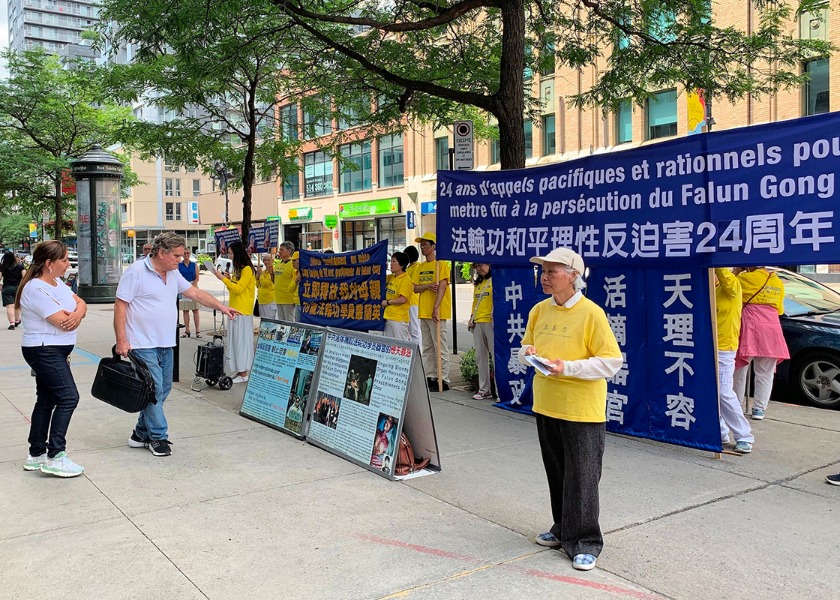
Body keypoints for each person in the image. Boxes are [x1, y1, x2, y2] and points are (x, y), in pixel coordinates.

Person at [519, 247, 622, 572]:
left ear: (573, 275)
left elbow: (611, 362)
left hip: (581, 410)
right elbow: (523, 349)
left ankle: (587, 541)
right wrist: (529, 353)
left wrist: (569, 368)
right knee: (558, 472)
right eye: (543, 271)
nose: (544, 277)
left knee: (583, 477)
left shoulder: (591, 313)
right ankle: (563, 530)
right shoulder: (539, 311)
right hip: (547, 404)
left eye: (552, 271)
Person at [116, 232, 239, 457]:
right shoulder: (136, 272)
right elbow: (121, 306)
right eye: (176, 256)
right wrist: (121, 340)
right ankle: (158, 437)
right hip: (142, 343)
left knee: (162, 389)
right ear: (161, 253)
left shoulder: (172, 274)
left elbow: (195, 293)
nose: (180, 260)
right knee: (154, 389)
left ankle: (140, 433)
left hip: (166, 341)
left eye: (182, 255)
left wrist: (222, 307)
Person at [17, 240, 87, 477]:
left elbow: (80, 303)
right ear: (49, 263)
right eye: (65, 260)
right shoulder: (36, 288)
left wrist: (77, 313)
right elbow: (62, 322)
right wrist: (75, 316)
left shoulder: (57, 283)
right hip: (44, 349)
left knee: (46, 400)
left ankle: (36, 454)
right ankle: (56, 455)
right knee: (68, 397)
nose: (68, 264)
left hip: (55, 350)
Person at [732, 266, 790, 420]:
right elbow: (779, 309)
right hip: (772, 328)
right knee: (766, 373)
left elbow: (727, 287)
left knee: (739, 369)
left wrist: (737, 271)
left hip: (749, 326)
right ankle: (759, 409)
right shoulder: (777, 282)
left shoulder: (745, 278)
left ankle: (736, 405)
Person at [714, 268, 754, 454]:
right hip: (708, 347)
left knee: (723, 391)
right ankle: (721, 432)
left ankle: (744, 435)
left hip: (724, 347)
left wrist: (711, 256)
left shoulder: (731, 287)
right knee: (712, 393)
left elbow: (722, 272)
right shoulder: (710, 290)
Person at [411, 233, 451, 391]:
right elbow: (415, 287)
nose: (423, 247)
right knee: (427, 347)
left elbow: (442, 286)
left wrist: (436, 307)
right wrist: (426, 287)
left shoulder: (441, 265)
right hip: (423, 311)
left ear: (434, 246)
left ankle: (444, 378)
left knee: (439, 346)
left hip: (437, 312)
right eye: (421, 245)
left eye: (426, 244)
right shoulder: (420, 267)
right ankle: (431, 376)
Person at [212, 241, 256, 384]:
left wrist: (224, 279)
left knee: (241, 342)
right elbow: (236, 287)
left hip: (242, 311)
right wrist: (230, 280)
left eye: (231, 253)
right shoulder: (239, 269)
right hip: (234, 309)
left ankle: (244, 373)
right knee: (235, 342)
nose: (229, 256)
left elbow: (239, 290)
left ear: (238, 253)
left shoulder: (247, 270)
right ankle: (239, 370)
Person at [469, 263, 495, 400]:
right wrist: (471, 318)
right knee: (481, 358)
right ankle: (484, 389)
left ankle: (500, 391)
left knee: (496, 358)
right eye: (476, 266)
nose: (479, 268)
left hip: (491, 323)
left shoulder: (495, 281)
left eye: (481, 265)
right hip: (478, 322)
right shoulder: (478, 284)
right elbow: (475, 303)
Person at [381, 251, 413, 341]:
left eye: (394, 261)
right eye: (391, 261)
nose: (391, 264)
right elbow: (380, 279)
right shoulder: (392, 277)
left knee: (401, 345)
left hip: (399, 319)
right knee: (389, 345)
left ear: (402, 265)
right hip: (388, 316)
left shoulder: (406, 280)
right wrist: (383, 268)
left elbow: (403, 299)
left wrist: (387, 302)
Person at [178, 248, 201, 338]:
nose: (186, 255)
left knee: (195, 310)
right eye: (185, 253)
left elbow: (197, 277)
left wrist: (192, 287)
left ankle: (198, 331)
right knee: (185, 310)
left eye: (188, 253)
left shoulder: (194, 265)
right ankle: (187, 330)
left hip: (193, 286)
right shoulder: (179, 265)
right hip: (184, 288)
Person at [403, 245, 422, 346]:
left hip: (413, 302)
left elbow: (412, 284)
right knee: (409, 329)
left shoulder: (417, 267)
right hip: (407, 302)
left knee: (414, 329)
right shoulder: (409, 268)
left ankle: (419, 352)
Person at [1, 250, 24, 329]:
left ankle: (12, 323)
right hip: (18, 288)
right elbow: (24, 278)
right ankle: (17, 320)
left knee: (10, 306)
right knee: (17, 305)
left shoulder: (3, 267)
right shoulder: (20, 266)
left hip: (7, 288)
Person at [274, 241, 296, 321]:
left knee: (289, 321)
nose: (279, 251)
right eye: (279, 249)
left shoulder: (292, 264)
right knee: (281, 322)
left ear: (289, 251)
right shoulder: (278, 264)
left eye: (282, 250)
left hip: (288, 299)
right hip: (278, 298)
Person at [256, 253, 277, 320]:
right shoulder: (264, 271)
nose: (266, 262)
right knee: (263, 320)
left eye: (268, 260)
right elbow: (258, 285)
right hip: (261, 299)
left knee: (270, 319)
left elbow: (266, 284)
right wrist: (257, 278)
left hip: (269, 300)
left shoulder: (272, 272)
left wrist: (261, 274)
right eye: (264, 260)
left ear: (272, 261)